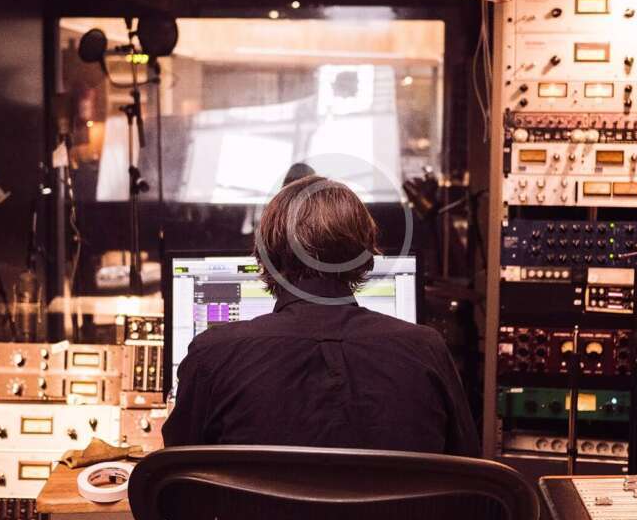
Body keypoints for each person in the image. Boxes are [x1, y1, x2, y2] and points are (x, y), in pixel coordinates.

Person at [163, 175, 480, 456]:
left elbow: (175, 481)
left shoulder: (214, 355)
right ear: (366, 257)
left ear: (265, 258)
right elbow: (469, 477)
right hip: (391, 509)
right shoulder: (426, 351)